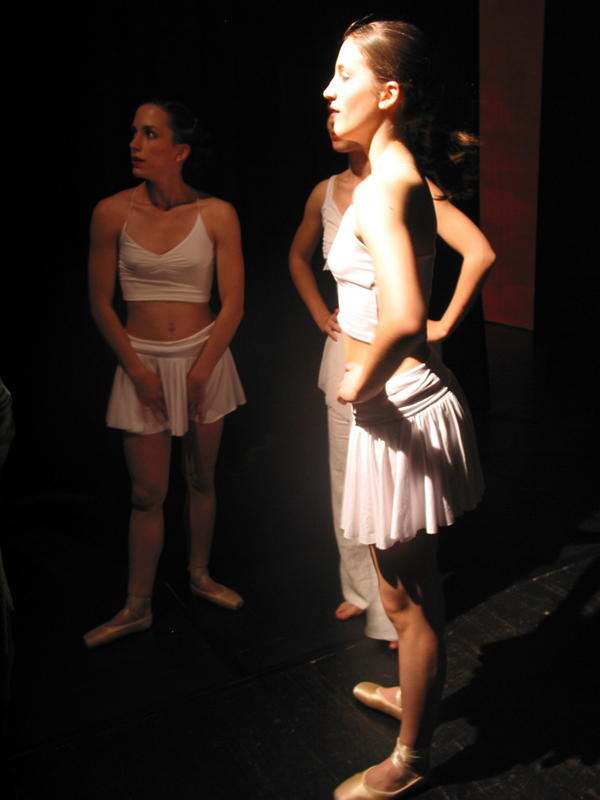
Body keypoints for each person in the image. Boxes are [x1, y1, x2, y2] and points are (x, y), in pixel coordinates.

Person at [323, 19, 492, 798]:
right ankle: (412, 701)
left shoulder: (384, 185)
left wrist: (359, 382)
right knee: (404, 592)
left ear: (388, 93)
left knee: (409, 599)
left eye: (344, 74)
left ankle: (409, 761)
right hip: (396, 407)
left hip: (395, 409)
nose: (329, 91)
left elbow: (402, 316)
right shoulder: (397, 175)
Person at [289, 118, 494, 650]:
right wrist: (321, 314)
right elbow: (297, 258)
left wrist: (443, 324)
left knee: (398, 497)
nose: (331, 108)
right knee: (347, 483)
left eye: (345, 83)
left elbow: (479, 252)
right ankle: (362, 591)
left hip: (394, 369)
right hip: (346, 360)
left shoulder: (405, 185)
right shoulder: (326, 192)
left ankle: (399, 616)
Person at [84, 100, 246, 649]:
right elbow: (100, 303)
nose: (134, 143)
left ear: (179, 151)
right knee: (146, 492)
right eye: (134, 132)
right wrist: (137, 370)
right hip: (142, 362)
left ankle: (200, 575)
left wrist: (202, 371)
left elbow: (233, 304)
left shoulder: (217, 214)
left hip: (205, 358)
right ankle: (137, 606)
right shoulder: (111, 212)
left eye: (149, 133)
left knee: (201, 477)